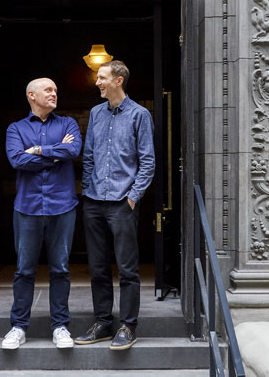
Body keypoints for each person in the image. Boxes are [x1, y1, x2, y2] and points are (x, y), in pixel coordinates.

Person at [75, 60, 155, 351]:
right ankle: (103, 323)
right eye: (98, 78)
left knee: (128, 268)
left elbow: (147, 162)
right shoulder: (96, 113)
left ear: (119, 80)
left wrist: (133, 196)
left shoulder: (139, 114)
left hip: (123, 201)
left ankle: (128, 325)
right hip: (94, 201)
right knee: (97, 267)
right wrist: (87, 191)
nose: (98, 82)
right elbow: (89, 156)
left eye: (102, 77)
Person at [2, 77, 82, 350]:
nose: (54, 94)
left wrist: (37, 150)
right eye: (48, 90)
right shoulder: (16, 128)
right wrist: (55, 155)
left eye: (56, 90)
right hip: (28, 208)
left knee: (60, 269)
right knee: (24, 270)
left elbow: (73, 150)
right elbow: (16, 160)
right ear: (31, 95)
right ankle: (18, 327)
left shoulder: (68, 124)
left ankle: (60, 326)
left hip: (63, 206)